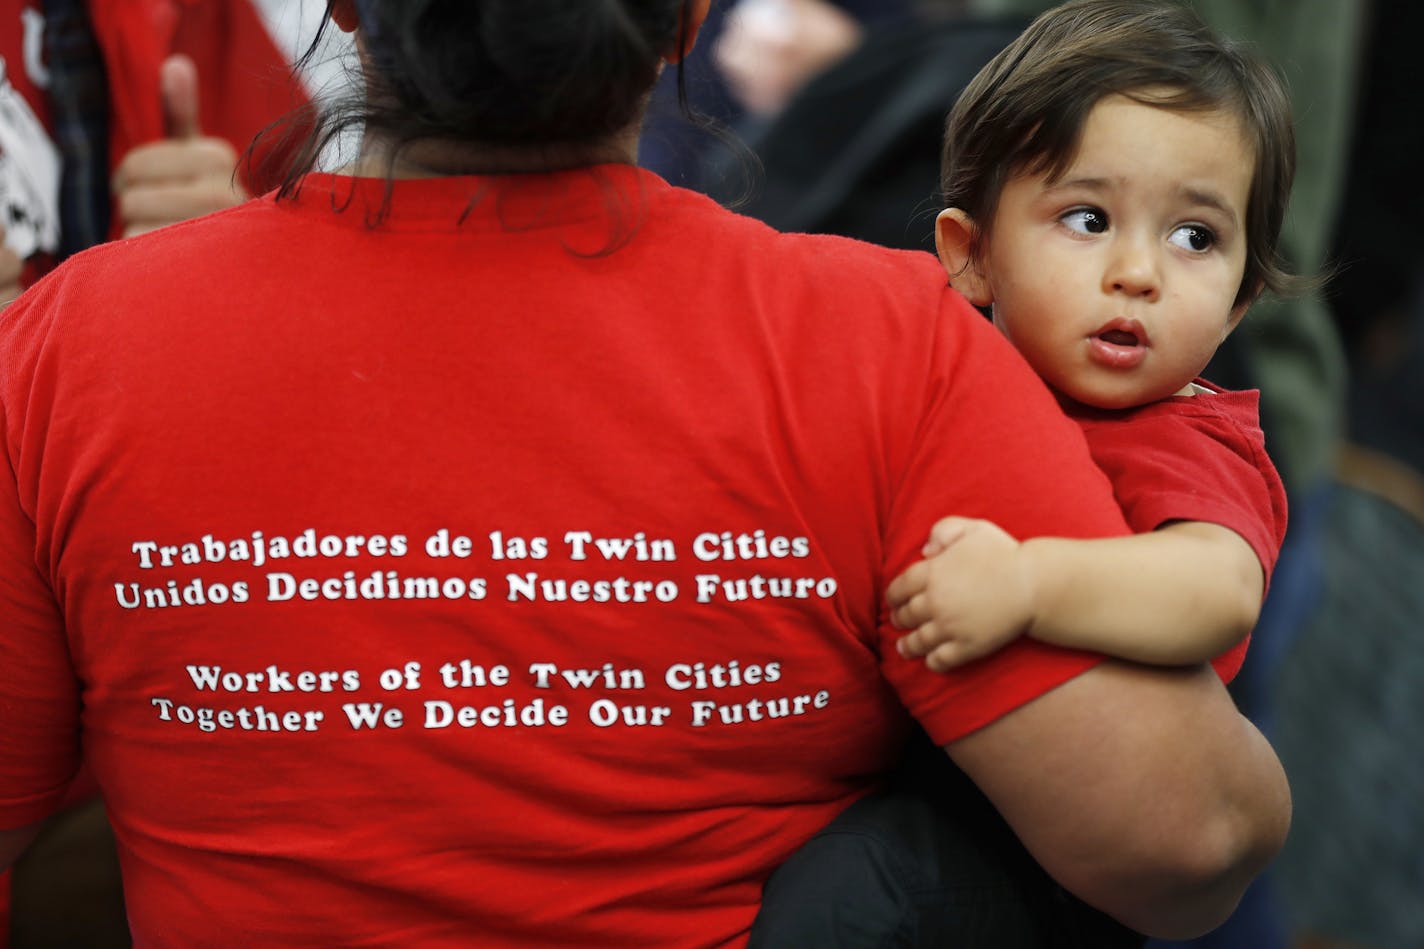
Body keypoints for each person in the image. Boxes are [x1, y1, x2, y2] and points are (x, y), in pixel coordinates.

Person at [0, 1, 1289, 946]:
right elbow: (1180, 843)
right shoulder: (880, 341)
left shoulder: (66, 348)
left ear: (344, 12)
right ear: (682, 22)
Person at [890, 0, 1291, 680]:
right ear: (972, 254)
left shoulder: (1186, 442)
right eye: (1088, 218)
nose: (1138, 274)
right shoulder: (943, 372)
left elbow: (1219, 591)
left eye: (1195, 236)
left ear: (1235, 307)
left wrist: (1029, 583)